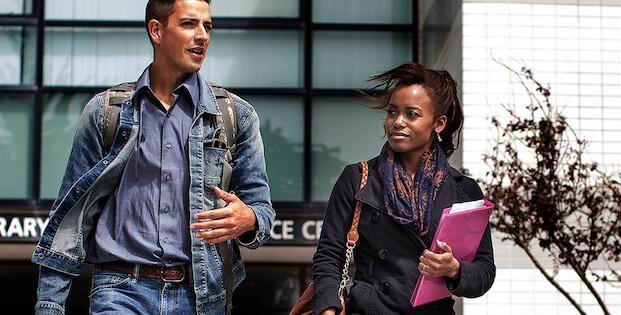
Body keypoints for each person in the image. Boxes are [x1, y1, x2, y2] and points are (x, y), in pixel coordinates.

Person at [32, 0, 274, 314]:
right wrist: (50, 304)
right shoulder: (106, 112)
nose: (202, 35)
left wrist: (249, 219)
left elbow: (261, 210)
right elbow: (70, 215)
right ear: (156, 30)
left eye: (207, 26)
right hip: (119, 291)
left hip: (201, 296)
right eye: (189, 24)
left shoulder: (235, 116)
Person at [311, 62, 495, 314]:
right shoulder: (358, 178)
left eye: (412, 114)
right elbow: (329, 255)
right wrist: (328, 310)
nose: (397, 122)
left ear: (438, 123)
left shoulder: (464, 191)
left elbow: (484, 271)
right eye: (392, 112)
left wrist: (453, 268)